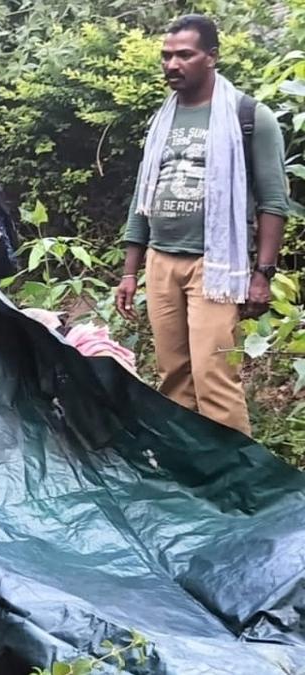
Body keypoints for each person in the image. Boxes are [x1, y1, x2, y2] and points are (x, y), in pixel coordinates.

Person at [115, 14, 288, 435]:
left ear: (211, 56)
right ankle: (188, 464)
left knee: (215, 378)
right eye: (166, 56)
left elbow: (273, 202)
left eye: (184, 55)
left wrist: (263, 274)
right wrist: (130, 271)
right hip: (161, 261)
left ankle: (234, 471)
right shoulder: (162, 119)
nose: (172, 65)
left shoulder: (249, 116)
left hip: (215, 266)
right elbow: (143, 197)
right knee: (173, 377)